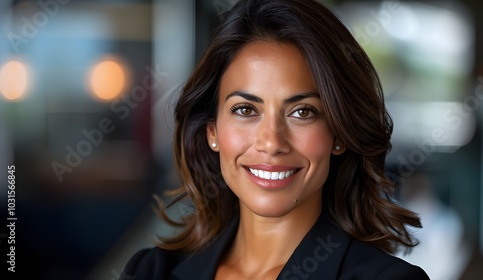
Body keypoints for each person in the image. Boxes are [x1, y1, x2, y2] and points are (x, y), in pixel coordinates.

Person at [121, 0, 430, 279]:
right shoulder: (151, 272)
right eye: (245, 109)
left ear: (339, 134)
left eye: (302, 112)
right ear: (212, 132)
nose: (271, 142)